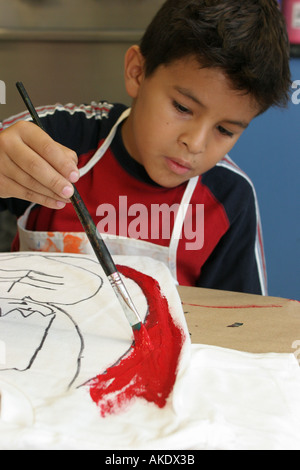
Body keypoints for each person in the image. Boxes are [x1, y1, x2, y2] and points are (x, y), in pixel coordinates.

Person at [0, 0, 291, 294]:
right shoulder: (54, 138)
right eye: (182, 107)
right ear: (137, 72)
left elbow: (240, 323)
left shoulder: (229, 197)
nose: (195, 143)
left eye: (225, 130)